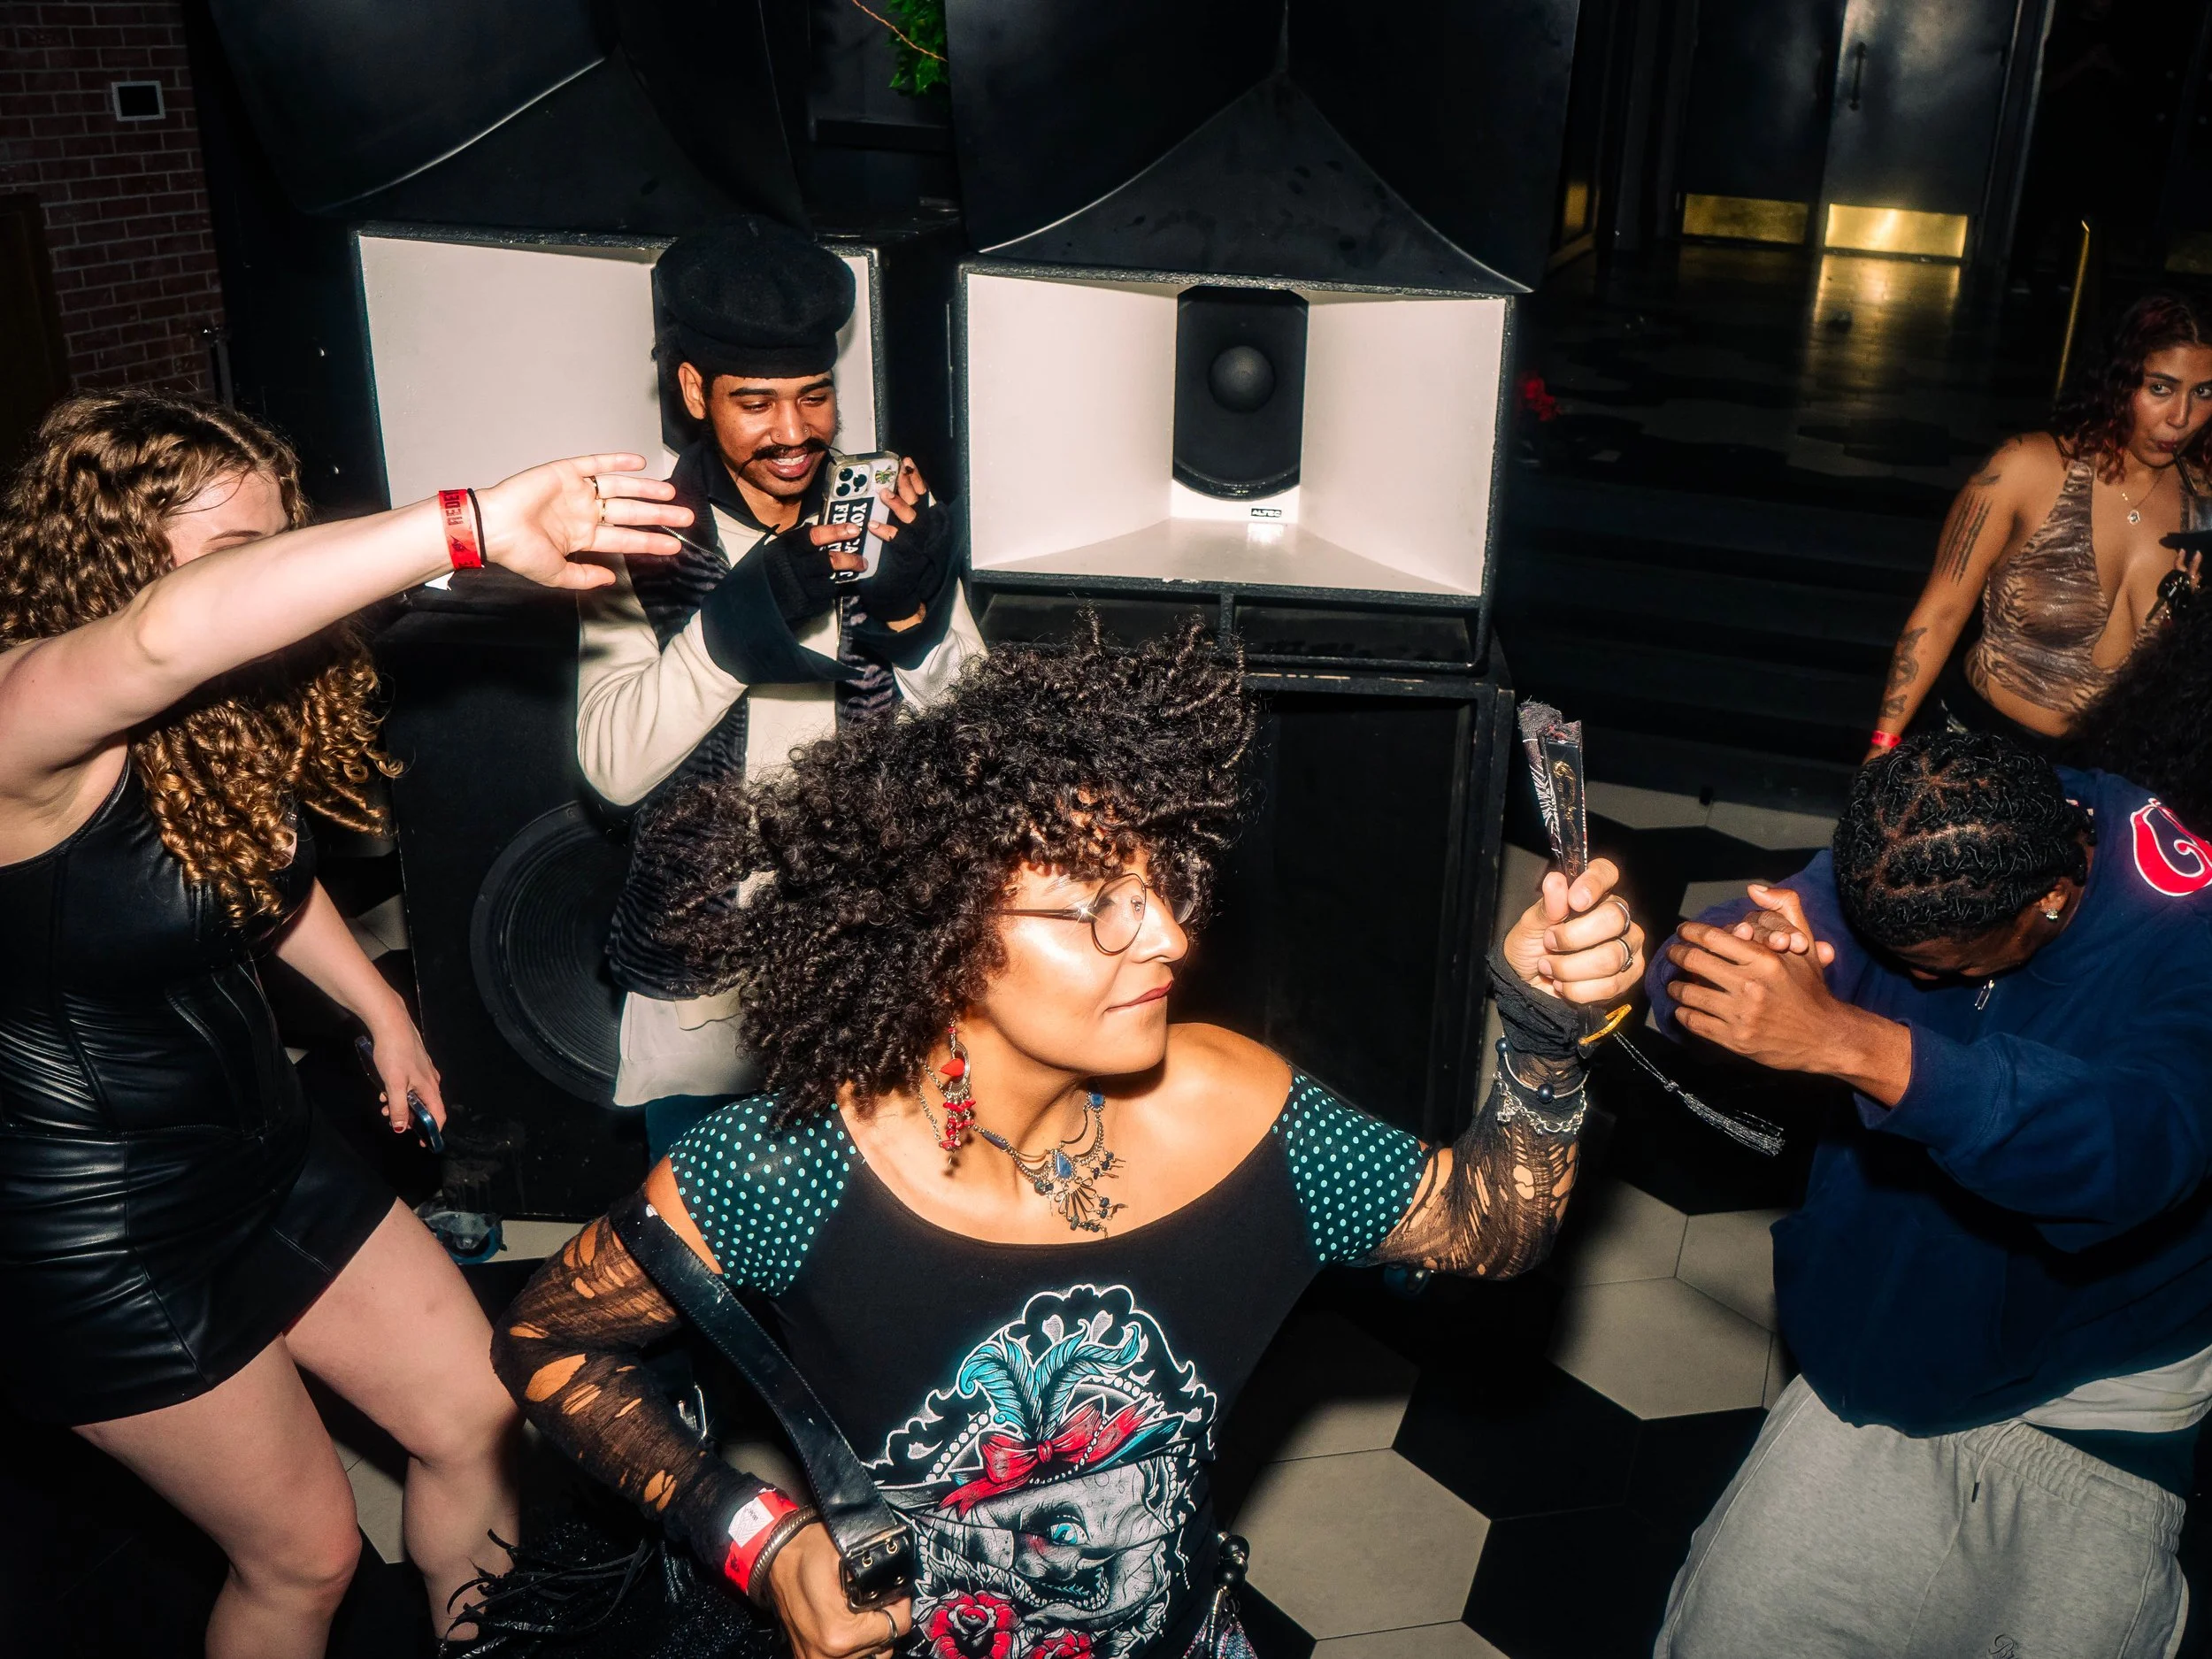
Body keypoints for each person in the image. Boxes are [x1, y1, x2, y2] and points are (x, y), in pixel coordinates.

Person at [489, 622, 1647, 1659]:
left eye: (1162, 881)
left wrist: (1544, 1034)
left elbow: (1492, 1226)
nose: (1169, 936)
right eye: (1099, 903)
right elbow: (546, 1342)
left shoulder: (1238, 1113)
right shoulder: (789, 1167)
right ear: (944, 931)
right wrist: (759, 1537)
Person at [0, 390, 691, 1658]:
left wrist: (379, 1008)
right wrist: (465, 525)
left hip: (265, 1156)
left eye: (283, 541)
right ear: (108, 552)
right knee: (305, 1559)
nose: (284, 578)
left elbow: (244, 864)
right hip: (99, 1237)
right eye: (239, 551)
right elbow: (160, 635)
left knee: (479, 1411)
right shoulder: (22, 716)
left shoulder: (212, 717)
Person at [1647, 732, 2212, 1658]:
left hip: (2097, 1396)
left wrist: (1848, 1041)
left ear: (2051, 897)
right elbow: (1756, 940)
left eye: (1940, 970)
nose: (1911, 980)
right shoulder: (1939, 823)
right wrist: (1724, 966)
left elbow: (2131, 1157)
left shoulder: (2188, 946)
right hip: (1882, 1340)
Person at [578, 214, 985, 1128]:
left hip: (877, 983)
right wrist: (738, 621)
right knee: (695, 1221)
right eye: (756, 403)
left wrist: (915, 621)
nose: (794, 432)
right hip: (704, 1002)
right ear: (695, 390)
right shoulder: (638, 532)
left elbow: (981, 742)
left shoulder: (883, 504)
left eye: (815, 396)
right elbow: (612, 767)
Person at [1867, 293, 2212, 761]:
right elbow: (1942, 611)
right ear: (2119, 381)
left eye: (2203, 393)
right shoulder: (2027, 468)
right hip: (1979, 753)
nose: (2181, 418)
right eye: (2160, 389)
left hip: (2107, 773)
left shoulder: (2203, 505)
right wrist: (1883, 746)